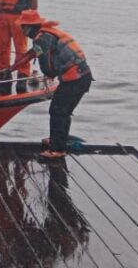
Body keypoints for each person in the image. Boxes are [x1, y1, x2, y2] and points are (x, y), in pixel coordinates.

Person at [8, 10, 93, 160]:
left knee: (58, 111)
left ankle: (57, 150)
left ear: (30, 27)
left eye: (23, 27)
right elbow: (31, 54)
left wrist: (48, 74)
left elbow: (47, 67)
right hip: (82, 76)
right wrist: (10, 69)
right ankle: (57, 140)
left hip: (75, 79)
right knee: (60, 110)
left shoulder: (41, 39)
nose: (22, 30)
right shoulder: (47, 33)